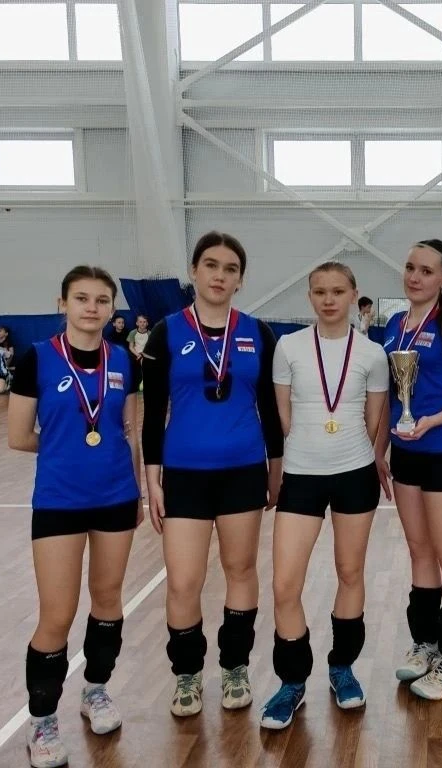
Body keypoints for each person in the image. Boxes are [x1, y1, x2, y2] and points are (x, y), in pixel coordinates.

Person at [141, 231, 283, 717]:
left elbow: (270, 410)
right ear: (194, 272)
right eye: (211, 265)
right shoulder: (165, 333)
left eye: (230, 268)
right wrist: (152, 481)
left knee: (240, 570)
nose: (220, 275)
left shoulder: (259, 333)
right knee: (184, 581)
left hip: (244, 470)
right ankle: (187, 674)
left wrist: (276, 470)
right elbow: (152, 413)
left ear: (240, 279)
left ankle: (235, 666)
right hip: (184, 474)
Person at [7, 266, 142, 768]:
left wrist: (138, 492)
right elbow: (19, 436)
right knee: (57, 613)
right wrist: (67, 450)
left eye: (102, 300)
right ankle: (42, 720)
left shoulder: (125, 360)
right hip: (59, 500)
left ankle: (96, 691)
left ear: (112, 308)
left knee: (107, 599)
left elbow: (130, 430)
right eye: (81, 298)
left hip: (116, 496)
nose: (92, 307)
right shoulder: (37, 358)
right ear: (62, 303)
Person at [259, 262, 389, 729]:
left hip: (354, 474)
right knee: (285, 585)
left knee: (350, 573)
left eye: (338, 291)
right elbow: (283, 416)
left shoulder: (373, 353)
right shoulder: (289, 347)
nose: (329, 299)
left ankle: (342, 668)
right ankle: (292, 681)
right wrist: (305, 452)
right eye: (319, 292)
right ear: (309, 296)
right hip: (301, 475)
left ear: (354, 294)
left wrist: (354, 452)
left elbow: (375, 420)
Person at [374, 239, 442, 700]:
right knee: (419, 551)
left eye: (426, 270)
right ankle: (426, 643)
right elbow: (388, 395)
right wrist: (380, 450)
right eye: (410, 267)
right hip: (405, 454)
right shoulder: (394, 325)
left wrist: (432, 421)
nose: (415, 277)